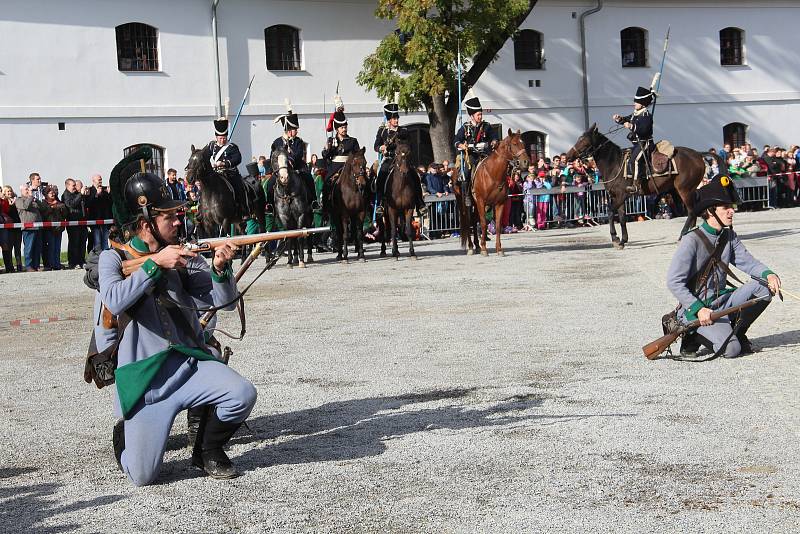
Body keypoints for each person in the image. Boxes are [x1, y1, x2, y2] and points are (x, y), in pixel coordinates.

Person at [97, 153, 256, 486]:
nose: (178, 222)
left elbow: (224, 304)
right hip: (145, 381)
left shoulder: (181, 254)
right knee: (142, 477)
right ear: (146, 222)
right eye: (170, 216)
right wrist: (156, 265)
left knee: (241, 393)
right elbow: (114, 299)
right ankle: (126, 435)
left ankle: (207, 451)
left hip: (187, 365)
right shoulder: (113, 259)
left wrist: (220, 268)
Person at [666, 174, 781, 358]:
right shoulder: (691, 240)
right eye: (726, 207)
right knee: (732, 351)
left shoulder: (729, 237)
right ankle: (691, 336)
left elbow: (748, 262)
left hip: (722, 303)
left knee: (764, 288)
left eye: (731, 207)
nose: (731, 211)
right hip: (697, 310)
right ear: (710, 211)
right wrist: (698, 308)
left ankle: (737, 332)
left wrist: (769, 274)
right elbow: (674, 282)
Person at [373, 100, 427, 216]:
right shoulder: (382, 132)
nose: (396, 120)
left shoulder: (403, 131)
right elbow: (376, 146)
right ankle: (381, 203)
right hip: (389, 159)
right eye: (393, 118)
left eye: (397, 118)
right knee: (381, 176)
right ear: (389, 120)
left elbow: (408, 144)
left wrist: (393, 144)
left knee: (415, 176)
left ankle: (420, 203)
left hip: (402, 159)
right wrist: (381, 148)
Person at [268, 100, 316, 213]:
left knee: (309, 178)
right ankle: (269, 205)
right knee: (270, 183)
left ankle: (314, 201)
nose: (297, 131)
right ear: (288, 131)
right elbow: (272, 157)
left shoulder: (298, 142)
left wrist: (290, 160)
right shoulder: (277, 142)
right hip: (281, 171)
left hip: (297, 169)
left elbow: (299, 154)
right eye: (295, 129)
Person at [454, 90, 499, 206]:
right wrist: (461, 145)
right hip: (472, 155)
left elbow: (494, 137)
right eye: (478, 115)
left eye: (481, 114)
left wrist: (494, 141)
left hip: (485, 155)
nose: (480, 116)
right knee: (467, 172)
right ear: (472, 116)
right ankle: (468, 195)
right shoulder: (465, 128)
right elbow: (456, 140)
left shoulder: (486, 126)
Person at [613, 86, 654, 194]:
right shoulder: (636, 114)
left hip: (645, 143)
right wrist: (620, 119)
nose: (634, 103)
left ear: (643, 103)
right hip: (636, 144)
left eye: (637, 102)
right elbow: (627, 119)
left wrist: (631, 126)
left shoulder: (646, 115)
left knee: (634, 160)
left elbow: (644, 130)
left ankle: (636, 185)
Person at [320, 109, 360, 216]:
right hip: (335, 167)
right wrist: (329, 149)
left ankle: (365, 207)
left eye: (345, 127)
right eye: (342, 127)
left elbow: (358, 155)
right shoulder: (331, 140)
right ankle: (325, 208)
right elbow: (324, 155)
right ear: (337, 129)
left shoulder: (353, 141)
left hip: (350, 167)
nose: (344, 129)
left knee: (363, 182)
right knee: (327, 184)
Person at [207, 117, 249, 215]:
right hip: (215, 173)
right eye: (220, 138)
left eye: (224, 138)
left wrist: (224, 163)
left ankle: (243, 210)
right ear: (216, 137)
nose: (222, 140)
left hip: (230, 173)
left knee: (239, 187)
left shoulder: (232, 147)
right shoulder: (211, 146)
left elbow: (238, 159)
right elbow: (204, 157)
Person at [15, 184, 44, 271]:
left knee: (37, 248)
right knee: (29, 248)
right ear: (22, 191)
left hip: (38, 227)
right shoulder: (19, 200)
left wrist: (37, 200)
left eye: (29, 189)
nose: (28, 191)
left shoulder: (32, 199)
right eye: (26, 189)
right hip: (28, 228)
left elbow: (42, 208)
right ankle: (29, 266)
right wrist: (30, 196)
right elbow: (25, 206)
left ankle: (36, 265)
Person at [62, 178, 88, 268]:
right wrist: (81, 194)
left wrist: (84, 195)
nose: (75, 187)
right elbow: (71, 204)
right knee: (74, 243)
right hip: (73, 223)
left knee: (82, 242)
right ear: (67, 185)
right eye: (73, 186)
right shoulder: (65, 195)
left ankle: (81, 260)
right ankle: (73, 262)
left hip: (82, 222)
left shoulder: (76, 194)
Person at [86, 174, 113, 251]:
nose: (100, 181)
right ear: (93, 181)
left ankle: (105, 257)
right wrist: (96, 194)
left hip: (105, 220)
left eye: (101, 179)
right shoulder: (90, 190)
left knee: (105, 241)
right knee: (97, 241)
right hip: (95, 220)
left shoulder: (104, 190)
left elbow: (110, 203)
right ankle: (96, 258)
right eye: (99, 180)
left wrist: (109, 193)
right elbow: (88, 204)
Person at [2, 186, 23, 271]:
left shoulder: (16, 200)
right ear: (4, 193)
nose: (9, 193)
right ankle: (10, 266)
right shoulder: (3, 202)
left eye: (10, 191)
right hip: (9, 228)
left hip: (17, 227)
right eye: (7, 191)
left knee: (17, 247)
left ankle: (19, 265)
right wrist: (9, 205)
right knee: (9, 247)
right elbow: (5, 212)